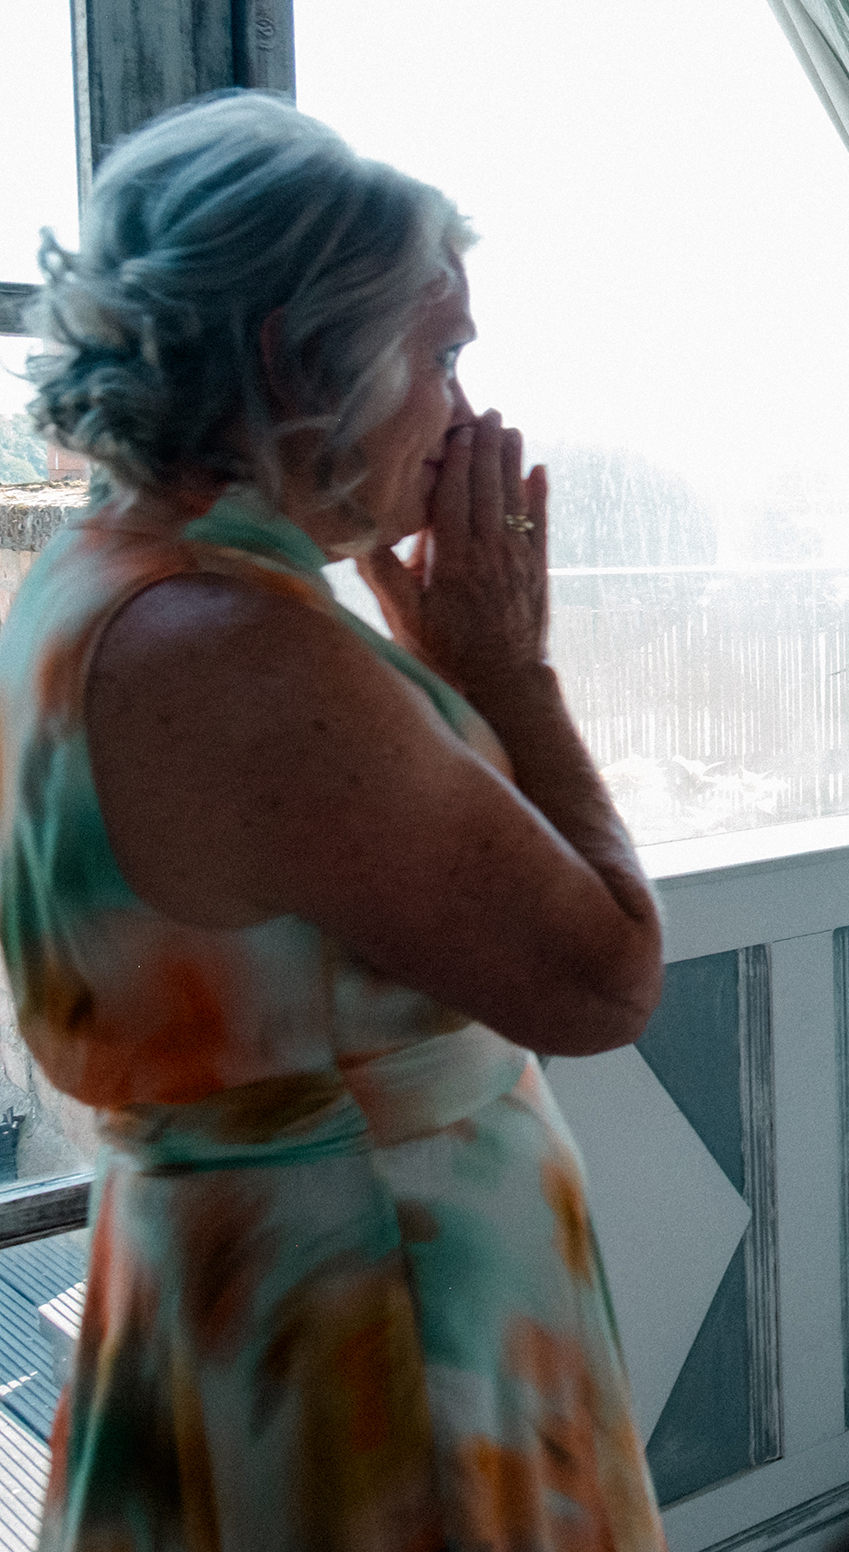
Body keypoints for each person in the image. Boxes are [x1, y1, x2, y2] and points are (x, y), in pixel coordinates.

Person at [5, 93, 668, 1549]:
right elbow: (605, 979)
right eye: (438, 351)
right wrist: (509, 674)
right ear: (291, 353)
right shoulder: (233, 646)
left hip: (244, 1313)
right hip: (370, 1360)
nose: (466, 411)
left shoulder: (86, 587)